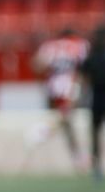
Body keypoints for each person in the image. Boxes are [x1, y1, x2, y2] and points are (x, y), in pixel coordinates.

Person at [28, 26, 89, 170]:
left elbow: (36, 64)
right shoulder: (80, 44)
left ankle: (75, 153)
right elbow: (86, 67)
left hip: (54, 87)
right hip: (71, 86)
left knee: (66, 120)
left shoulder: (51, 46)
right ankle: (44, 131)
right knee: (66, 118)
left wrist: (44, 80)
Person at [77, 24, 105, 181]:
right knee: (96, 132)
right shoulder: (93, 58)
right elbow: (84, 79)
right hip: (100, 97)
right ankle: (98, 165)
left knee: (98, 132)